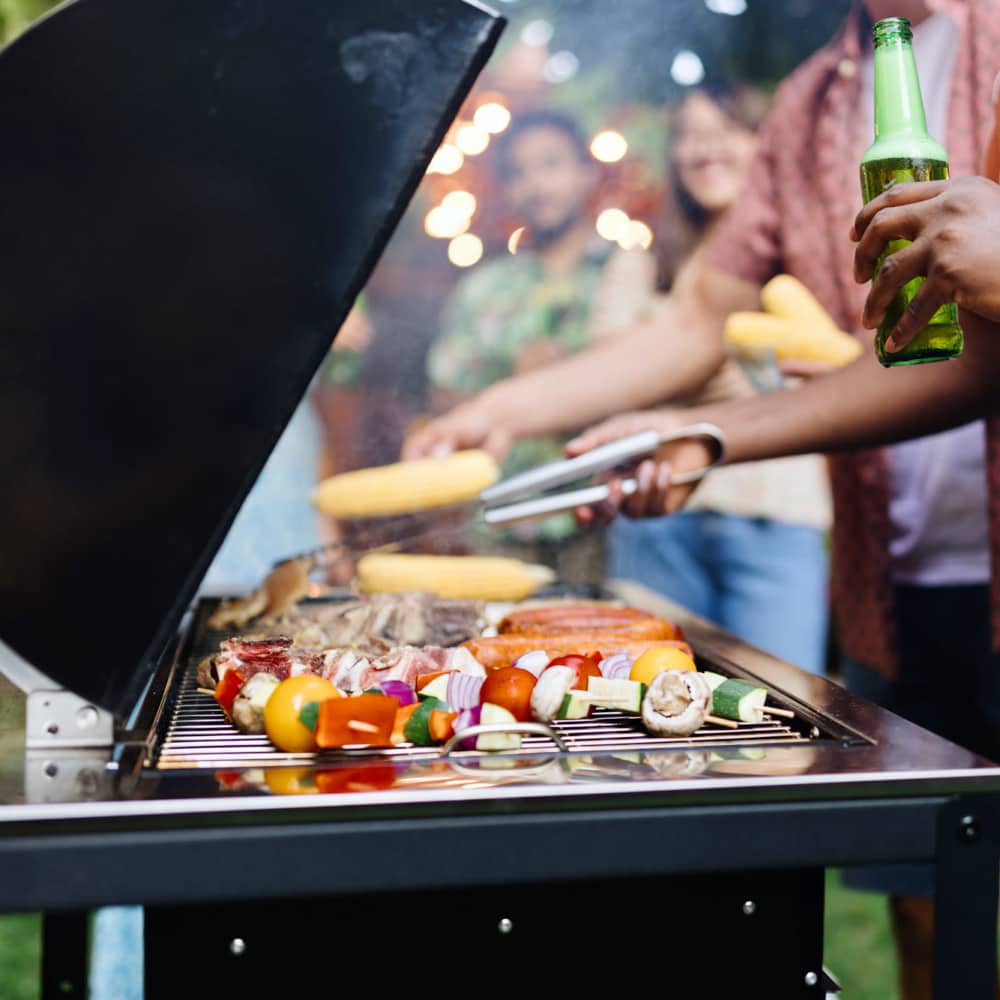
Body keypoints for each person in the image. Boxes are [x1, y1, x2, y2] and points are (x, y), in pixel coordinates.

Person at [404, 3, 1000, 997]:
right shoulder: (814, 100)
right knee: (930, 903)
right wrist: (509, 410)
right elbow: (702, 317)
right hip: (890, 578)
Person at [604, 85, 832, 674]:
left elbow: (843, 373)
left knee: (781, 713)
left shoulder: (815, 258)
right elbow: (618, 375)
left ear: (766, 143)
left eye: (726, 127)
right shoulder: (643, 260)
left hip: (775, 513)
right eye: (687, 133)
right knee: (648, 702)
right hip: (659, 513)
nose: (705, 147)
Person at [421, 108, 656, 587]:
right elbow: (442, 395)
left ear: (585, 173)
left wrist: (573, 382)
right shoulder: (483, 287)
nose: (537, 184)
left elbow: (658, 378)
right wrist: (513, 381)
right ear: (507, 189)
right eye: (519, 172)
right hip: (502, 516)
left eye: (551, 164)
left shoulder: (628, 272)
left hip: (602, 515)